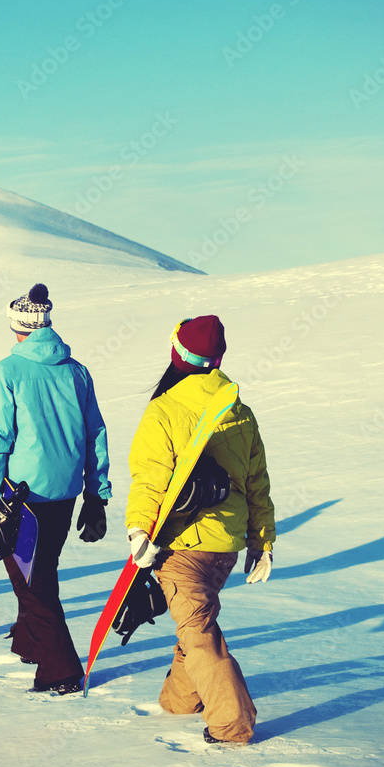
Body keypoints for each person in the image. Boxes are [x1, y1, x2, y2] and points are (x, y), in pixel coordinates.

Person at [125, 315, 274, 744]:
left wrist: (139, 529)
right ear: (218, 358)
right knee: (194, 619)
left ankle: (231, 723)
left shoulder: (165, 409)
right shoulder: (239, 412)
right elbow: (257, 482)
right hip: (225, 545)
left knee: (199, 631)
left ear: (176, 354)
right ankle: (180, 699)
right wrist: (260, 542)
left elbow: (150, 476)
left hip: (182, 543)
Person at [0, 284, 111, 694]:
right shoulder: (76, 371)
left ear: (18, 328)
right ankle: (29, 642)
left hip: (22, 496)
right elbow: (94, 434)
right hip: (66, 492)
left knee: (32, 585)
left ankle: (61, 670)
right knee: (40, 571)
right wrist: (95, 493)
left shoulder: (6, 372)